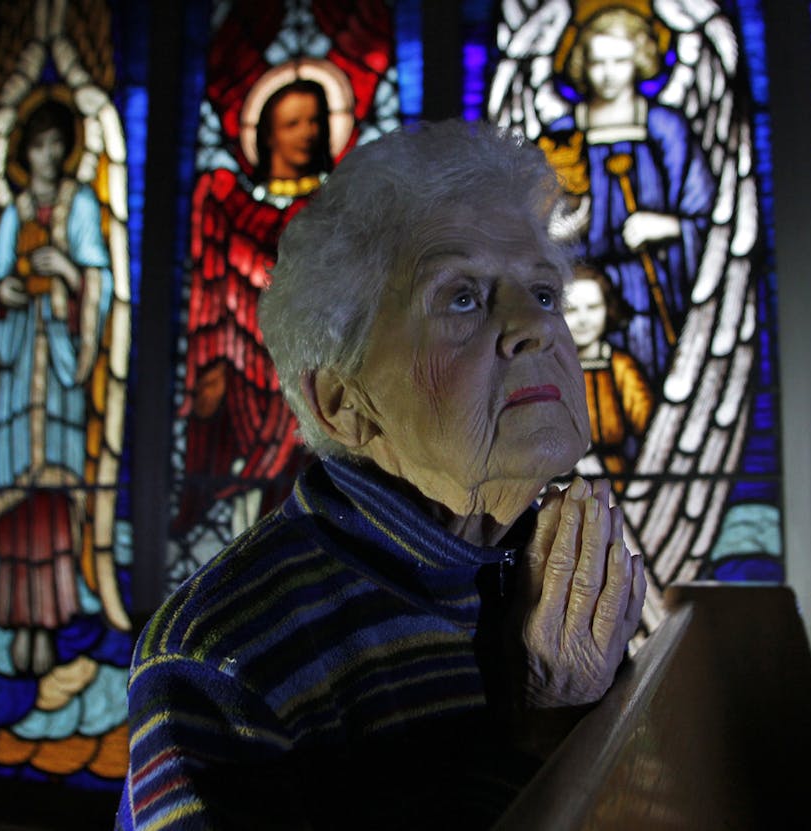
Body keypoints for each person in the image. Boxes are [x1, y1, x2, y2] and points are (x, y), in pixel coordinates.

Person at [118, 119, 646, 829]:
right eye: (463, 296)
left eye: (544, 293)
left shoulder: (557, 560)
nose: (538, 326)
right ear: (343, 404)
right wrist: (539, 735)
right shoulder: (217, 660)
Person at [175, 69, 346, 538]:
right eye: (294, 124)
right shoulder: (229, 207)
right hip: (247, 381)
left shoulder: (340, 210)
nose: (309, 133)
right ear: (267, 135)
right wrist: (209, 367)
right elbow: (212, 299)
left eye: (316, 121)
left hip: (322, 378)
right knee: (257, 509)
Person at [0, 95, 114, 676]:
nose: (49, 155)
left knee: (54, 493)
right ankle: (18, 621)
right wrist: (2, 299)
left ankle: (55, 616)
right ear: (24, 152)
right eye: (38, 145)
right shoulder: (12, 212)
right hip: (16, 376)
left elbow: (98, 279)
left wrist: (63, 268)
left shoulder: (82, 205)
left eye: (58, 144)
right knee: (15, 496)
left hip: (61, 368)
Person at [540, 5, 717, 384]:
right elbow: (531, 212)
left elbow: (703, 214)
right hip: (579, 291)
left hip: (648, 288)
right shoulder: (562, 131)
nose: (608, 74)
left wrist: (666, 225)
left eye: (619, 60)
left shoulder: (664, 127)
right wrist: (551, 230)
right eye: (598, 62)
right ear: (581, 64)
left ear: (641, 59)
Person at [564, 262, 654, 480]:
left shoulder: (621, 368)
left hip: (615, 483)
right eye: (571, 310)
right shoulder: (544, 372)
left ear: (609, 309)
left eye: (593, 307)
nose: (583, 319)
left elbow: (651, 428)